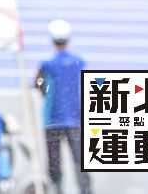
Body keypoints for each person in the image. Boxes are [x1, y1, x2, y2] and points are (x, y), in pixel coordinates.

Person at [35, 19, 92, 194]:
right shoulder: (79, 62)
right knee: (80, 160)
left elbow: (38, 84)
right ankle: (86, 190)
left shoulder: (47, 64)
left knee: (54, 161)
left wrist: (47, 92)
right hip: (75, 117)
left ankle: (57, 189)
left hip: (52, 118)